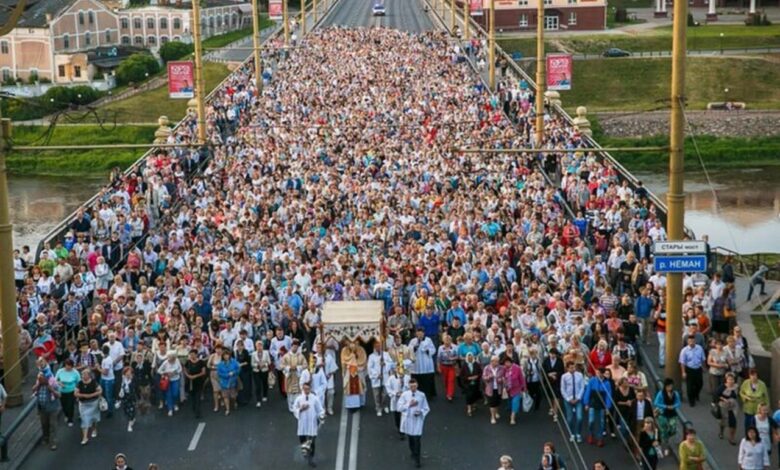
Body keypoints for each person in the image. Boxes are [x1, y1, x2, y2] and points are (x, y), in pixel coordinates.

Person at [398, 378, 430, 468]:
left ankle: (417, 459)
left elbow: (426, 408)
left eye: (415, 386)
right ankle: (413, 451)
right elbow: (399, 407)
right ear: (409, 386)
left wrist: (421, 412)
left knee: (417, 439)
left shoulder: (421, 395)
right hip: (408, 419)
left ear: (417, 385)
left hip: (417, 420)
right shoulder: (405, 395)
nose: (413, 388)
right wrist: (409, 405)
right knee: (411, 438)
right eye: (411, 386)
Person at [293, 382, 325, 468]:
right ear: (303, 389)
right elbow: (294, 409)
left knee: (311, 442)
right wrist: (301, 409)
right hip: (303, 424)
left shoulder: (314, 399)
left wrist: (321, 416)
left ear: (310, 389)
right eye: (305, 389)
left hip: (312, 423)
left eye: (308, 389)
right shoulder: (299, 399)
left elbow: (320, 410)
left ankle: (311, 458)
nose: (306, 390)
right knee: (303, 441)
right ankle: (305, 453)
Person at [583, 367, 612, 447]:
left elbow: (608, 395)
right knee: (591, 420)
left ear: (602, 373)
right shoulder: (592, 380)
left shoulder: (607, 383)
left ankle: (600, 438)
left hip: (601, 404)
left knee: (601, 422)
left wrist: (607, 407)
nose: (597, 374)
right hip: (593, 403)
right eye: (597, 373)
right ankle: (591, 434)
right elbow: (588, 391)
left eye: (599, 373)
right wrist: (586, 403)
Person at [32, 370, 60, 450]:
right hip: (42, 408)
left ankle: (53, 442)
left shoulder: (53, 384)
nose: (40, 379)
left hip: (52, 408)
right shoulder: (39, 385)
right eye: (39, 378)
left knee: (52, 425)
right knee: (44, 424)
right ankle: (46, 438)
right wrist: (38, 385)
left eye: (41, 378)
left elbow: (58, 395)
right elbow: (33, 390)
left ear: (46, 378)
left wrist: (51, 389)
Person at [75, 369, 102, 445]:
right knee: (84, 419)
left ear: (89, 375)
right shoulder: (79, 383)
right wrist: (83, 395)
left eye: (85, 374)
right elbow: (75, 393)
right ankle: (85, 437)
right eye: (82, 374)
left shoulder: (94, 383)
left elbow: (100, 391)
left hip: (93, 403)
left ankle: (94, 429)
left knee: (93, 418)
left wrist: (91, 395)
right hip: (83, 404)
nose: (83, 376)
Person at [561, 361, 585, 443]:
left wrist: (578, 398)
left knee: (579, 417)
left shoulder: (580, 375)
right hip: (568, 399)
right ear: (567, 368)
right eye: (571, 368)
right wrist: (568, 399)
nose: (573, 369)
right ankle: (572, 433)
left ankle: (578, 433)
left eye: (574, 367)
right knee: (570, 419)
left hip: (578, 399)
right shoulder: (564, 376)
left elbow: (582, 387)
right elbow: (562, 389)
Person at [679, 335, 706, 407]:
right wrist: (683, 372)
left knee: (700, 384)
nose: (691, 342)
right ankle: (691, 400)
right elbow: (682, 362)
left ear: (695, 341)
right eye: (690, 341)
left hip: (698, 368)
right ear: (687, 342)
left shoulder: (699, 348)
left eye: (693, 341)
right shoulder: (684, 350)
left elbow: (702, 358)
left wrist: (703, 367)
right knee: (690, 386)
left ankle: (696, 394)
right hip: (689, 369)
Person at [409, 328, 436, 398]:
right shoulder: (413, 341)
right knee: (417, 380)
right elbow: (409, 350)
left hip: (426, 363)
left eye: (421, 333)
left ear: (424, 333)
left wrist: (427, 350)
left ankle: (428, 395)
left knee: (426, 380)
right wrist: (414, 348)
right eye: (418, 333)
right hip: (417, 364)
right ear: (416, 333)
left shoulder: (428, 340)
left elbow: (433, 349)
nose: (420, 335)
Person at [714, 372, 739, 444]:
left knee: (733, 422)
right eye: (729, 379)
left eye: (732, 379)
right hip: (724, 406)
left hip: (733, 406)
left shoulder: (736, 387)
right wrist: (723, 399)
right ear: (726, 380)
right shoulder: (722, 387)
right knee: (723, 421)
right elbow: (716, 395)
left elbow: (737, 395)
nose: (731, 381)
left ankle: (731, 438)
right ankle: (721, 431)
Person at [368, 341, 392, 415]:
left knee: (385, 393)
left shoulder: (385, 354)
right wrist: (376, 375)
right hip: (376, 378)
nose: (378, 347)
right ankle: (378, 408)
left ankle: (384, 405)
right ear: (374, 347)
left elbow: (390, 363)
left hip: (385, 377)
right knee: (377, 395)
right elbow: (369, 368)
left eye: (379, 346)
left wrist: (385, 364)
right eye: (376, 346)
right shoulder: (371, 356)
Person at [55, 358, 80, 427]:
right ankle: (66, 414)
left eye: (69, 365)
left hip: (72, 391)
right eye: (66, 365)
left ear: (72, 366)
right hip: (62, 391)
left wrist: (77, 390)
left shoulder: (75, 372)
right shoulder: (60, 371)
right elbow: (55, 380)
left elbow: (79, 382)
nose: (68, 367)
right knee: (64, 405)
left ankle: (70, 419)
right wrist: (59, 383)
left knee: (70, 405)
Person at [156, 351, 182, 417]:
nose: (169, 358)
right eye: (168, 357)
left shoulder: (177, 361)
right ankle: (170, 409)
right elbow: (159, 370)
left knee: (175, 393)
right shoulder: (165, 362)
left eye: (171, 357)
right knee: (168, 394)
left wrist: (175, 372)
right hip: (167, 381)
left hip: (175, 379)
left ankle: (175, 404)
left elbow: (180, 369)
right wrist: (165, 373)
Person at [503, 356, 527, 425]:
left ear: (511, 362)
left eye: (507, 362)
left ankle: (512, 417)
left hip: (517, 388)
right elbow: (503, 377)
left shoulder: (517, 368)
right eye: (505, 363)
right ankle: (511, 411)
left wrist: (524, 387)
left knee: (515, 402)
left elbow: (522, 378)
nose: (506, 364)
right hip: (508, 389)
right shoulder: (504, 369)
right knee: (510, 402)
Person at [183, 349, 206, 419]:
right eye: (191, 354)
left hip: (198, 381)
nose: (192, 355)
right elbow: (185, 370)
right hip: (190, 382)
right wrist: (188, 376)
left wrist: (195, 376)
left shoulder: (201, 362)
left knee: (198, 397)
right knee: (192, 396)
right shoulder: (188, 362)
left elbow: (203, 372)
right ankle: (194, 407)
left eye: (193, 354)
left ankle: (198, 412)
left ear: (196, 354)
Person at [482, 355, 505, 425]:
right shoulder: (487, 368)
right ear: (491, 361)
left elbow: (504, 377)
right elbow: (483, 377)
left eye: (498, 361)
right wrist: (489, 377)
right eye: (495, 361)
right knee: (492, 403)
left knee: (497, 401)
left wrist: (501, 379)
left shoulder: (501, 368)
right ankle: (492, 417)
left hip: (499, 388)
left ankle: (496, 412)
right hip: (490, 388)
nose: (497, 363)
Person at [217, 348, 240, 415]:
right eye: (224, 355)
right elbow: (219, 373)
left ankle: (234, 402)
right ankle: (227, 409)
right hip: (224, 382)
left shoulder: (234, 362)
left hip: (232, 382)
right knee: (225, 396)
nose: (226, 356)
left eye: (227, 355)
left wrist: (233, 373)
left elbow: (238, 369)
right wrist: (227, 375)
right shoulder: (220, 364)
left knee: (233, 396)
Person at [436, 334, 458, 402]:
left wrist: (453, 358)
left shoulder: (455, 347)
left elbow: (458, 356)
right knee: (445, 381)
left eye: (448, 340)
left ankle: (449, 394)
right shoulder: (440, 348)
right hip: (443, 366)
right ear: (443, 340)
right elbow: (438, 358)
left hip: (452, 366)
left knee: (451, 380)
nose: (447, 341)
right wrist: (438, 367)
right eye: (446, 340)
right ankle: (448, 391)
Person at [251, 340, 271, 407]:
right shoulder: (253, 354)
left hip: (264, 370)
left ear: (262, 346)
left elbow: (269, 362)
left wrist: (264, 364)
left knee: (265, 383)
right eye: (258, 346)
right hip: (256, 371)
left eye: (260, 346)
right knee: (257, 386)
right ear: (255, 347)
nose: (259, 347)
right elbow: (252, 363)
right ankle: (258, 400)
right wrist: (257, 365)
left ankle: (265, 395)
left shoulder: (266, 352)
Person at [118, 367, 138, 432]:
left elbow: (135, 387)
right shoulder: (123, 378)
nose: (128, 373)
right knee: (126, 410)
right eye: (127, 372)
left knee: (131, 411)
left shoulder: (133, 379)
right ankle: (132, 418)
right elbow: (121, 386)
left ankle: (130, 425)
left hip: (131, 397)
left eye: (129, 372)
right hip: (125, 397)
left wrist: (131, 380)